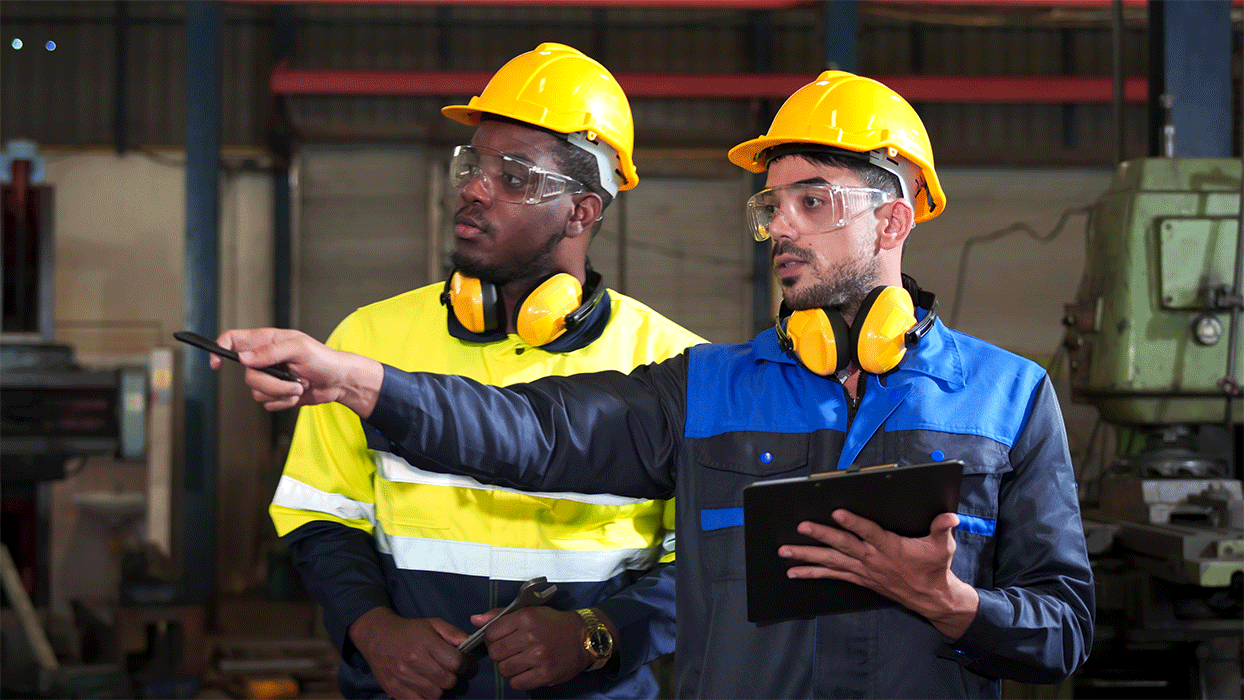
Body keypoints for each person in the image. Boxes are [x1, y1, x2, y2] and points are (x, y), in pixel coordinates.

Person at [219, 71, 1094, 698]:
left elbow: (1064, 631)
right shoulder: (704, 387)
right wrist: (358, 380)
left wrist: (952, 604)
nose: (780, 228)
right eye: (771, 206)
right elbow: (531, 432)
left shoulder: (1011, 398)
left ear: (893, 218)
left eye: (812, 201)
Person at [244, 43, 704, 699]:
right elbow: (320, 514)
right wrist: (373, 631)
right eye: (472, 165)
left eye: (512, 177)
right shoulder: (369, 339)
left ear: (580, 210)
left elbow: (708, 555)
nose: (472, 189)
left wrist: (598, 634)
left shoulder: (671, 366)